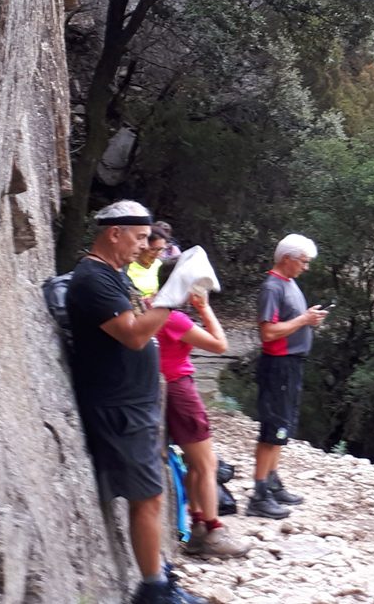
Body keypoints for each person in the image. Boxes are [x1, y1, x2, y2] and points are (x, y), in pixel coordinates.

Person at [66, 201, 201, 604]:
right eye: (140, 238)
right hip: (119, 405)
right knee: (148, 496)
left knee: (151, 492)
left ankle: (159, 576)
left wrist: (162, 302)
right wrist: (172, 297)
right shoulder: (93, 279)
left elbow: (140, 323)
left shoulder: (113, 275)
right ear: (115, 233)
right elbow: (135, 335)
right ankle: (152, 590)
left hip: (134, 402)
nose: (145, 246)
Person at [153, 246, 251, 558]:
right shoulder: (174, 318)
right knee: (207, 464)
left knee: (196, 464)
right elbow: (220, 344)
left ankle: (197, 528)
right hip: (180, 390)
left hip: (167, 390)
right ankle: (214, 532)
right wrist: (206, 309)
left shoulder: (150, 307)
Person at [249, 233, 328, 519]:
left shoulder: (289, 283)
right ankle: (259, 495)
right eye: (303, 262)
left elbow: (289, 322)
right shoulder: (272, 287)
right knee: (273, 427)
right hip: (278, 365)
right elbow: (268, 332)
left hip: (292, 364)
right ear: (286, 259)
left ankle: (272, 482)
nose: (306, 267)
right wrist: (304, 319)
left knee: (282, 424)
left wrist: (308, 319)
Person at [127, 221, 174, 301]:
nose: (157, 253)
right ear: (143, 246)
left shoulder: (162, 266)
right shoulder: (127, 266)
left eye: (160, 249)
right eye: (152, 249)